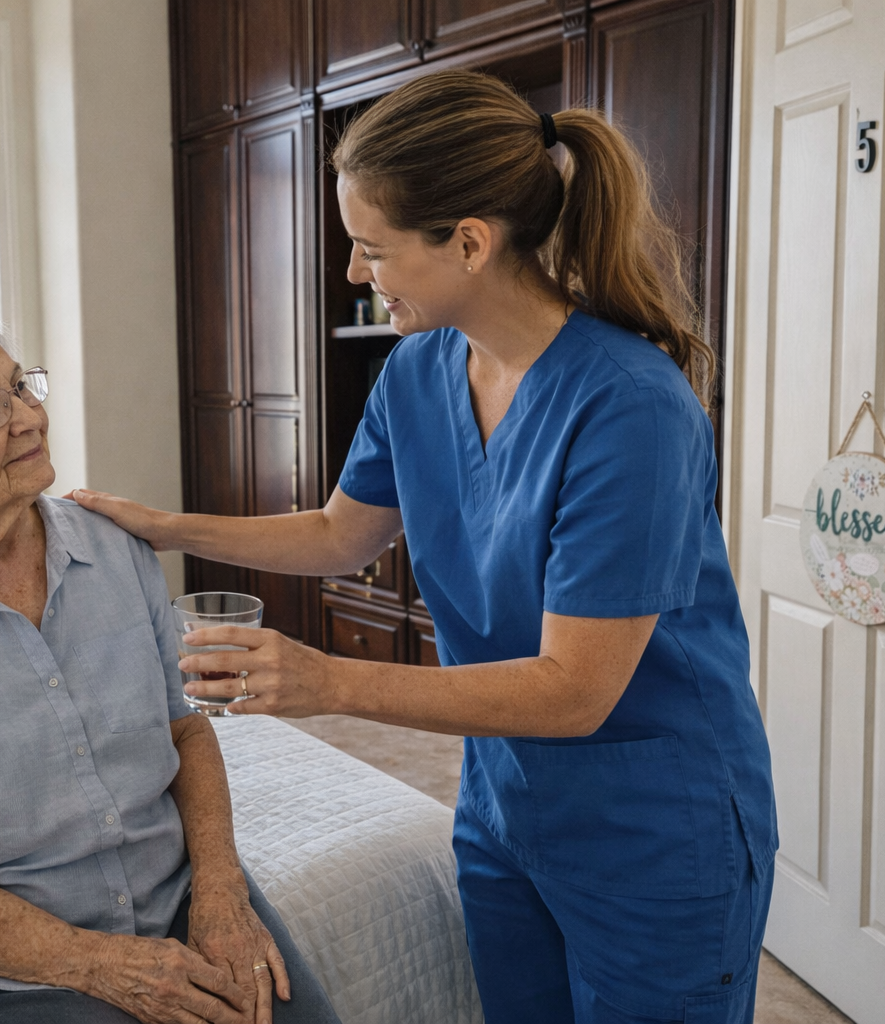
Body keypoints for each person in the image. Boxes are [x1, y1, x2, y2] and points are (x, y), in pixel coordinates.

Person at [75, 70, 777, 1024]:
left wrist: (330, 682)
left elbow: (575, 688)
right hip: (505, 809)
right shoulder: (416, 372)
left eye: (371, 250)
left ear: (471, 243)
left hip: (655, 830)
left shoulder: (630, 405)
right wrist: (164, 527)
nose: (356, 275)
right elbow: (339, 535)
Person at [0, 304, 342, 1024]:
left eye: (20, 387)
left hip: (168, 893)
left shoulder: (114, 550)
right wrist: (99, 963)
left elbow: (185, 732)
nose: (28, 416)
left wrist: (220, 890)